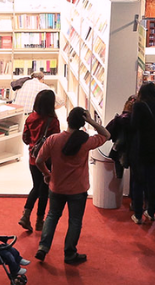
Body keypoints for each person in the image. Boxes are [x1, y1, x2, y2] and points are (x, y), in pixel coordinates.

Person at [35, 107, 110, 263]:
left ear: (67, 120)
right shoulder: (86, 142)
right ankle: (69, 253)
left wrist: (47, 174)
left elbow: (39, 161)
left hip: (57, 186)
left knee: (52, 216)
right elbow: (106, 134)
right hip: (78, 188)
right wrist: (91, 121)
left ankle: (43, 247)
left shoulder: (53, 140)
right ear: (82, 123)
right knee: (75, 221)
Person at [19, 89, 59, 233]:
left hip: (33, 158)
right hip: (47, 159)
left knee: (36, 187)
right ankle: (39, 221)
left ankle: (26, 214)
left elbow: (25, 138)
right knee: (44, 190)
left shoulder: (30, 118)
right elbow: (55, 140)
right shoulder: (53, 121)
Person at [130, 82, 155, 224]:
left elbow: (134, 125)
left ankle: (138, 214)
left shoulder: (138, 106)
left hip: (141, 147)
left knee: (139, 180)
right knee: (153, 181)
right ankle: (151, 212)